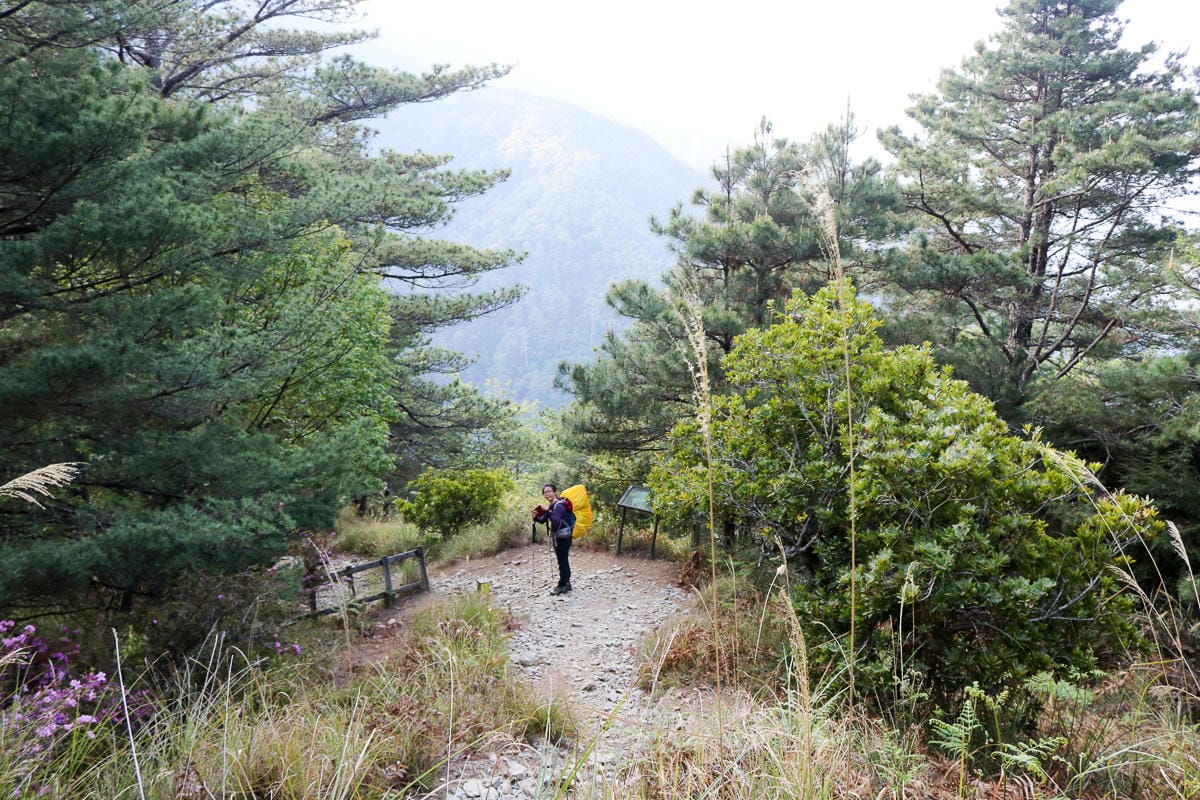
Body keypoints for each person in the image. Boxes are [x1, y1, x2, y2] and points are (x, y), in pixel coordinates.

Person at [532, 483, 574, 595]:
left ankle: (562, 584)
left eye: (549, 491)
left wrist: (547, 510)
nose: (547, 494)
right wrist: (535, 517)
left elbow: (555, 520)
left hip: (563, 538)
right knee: (562, 560)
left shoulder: (559, 505)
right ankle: (566, 583)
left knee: (562, 561)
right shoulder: (552, 506)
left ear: (555, 492)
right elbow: (543, 519)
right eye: (545, 492)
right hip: (558, 537)